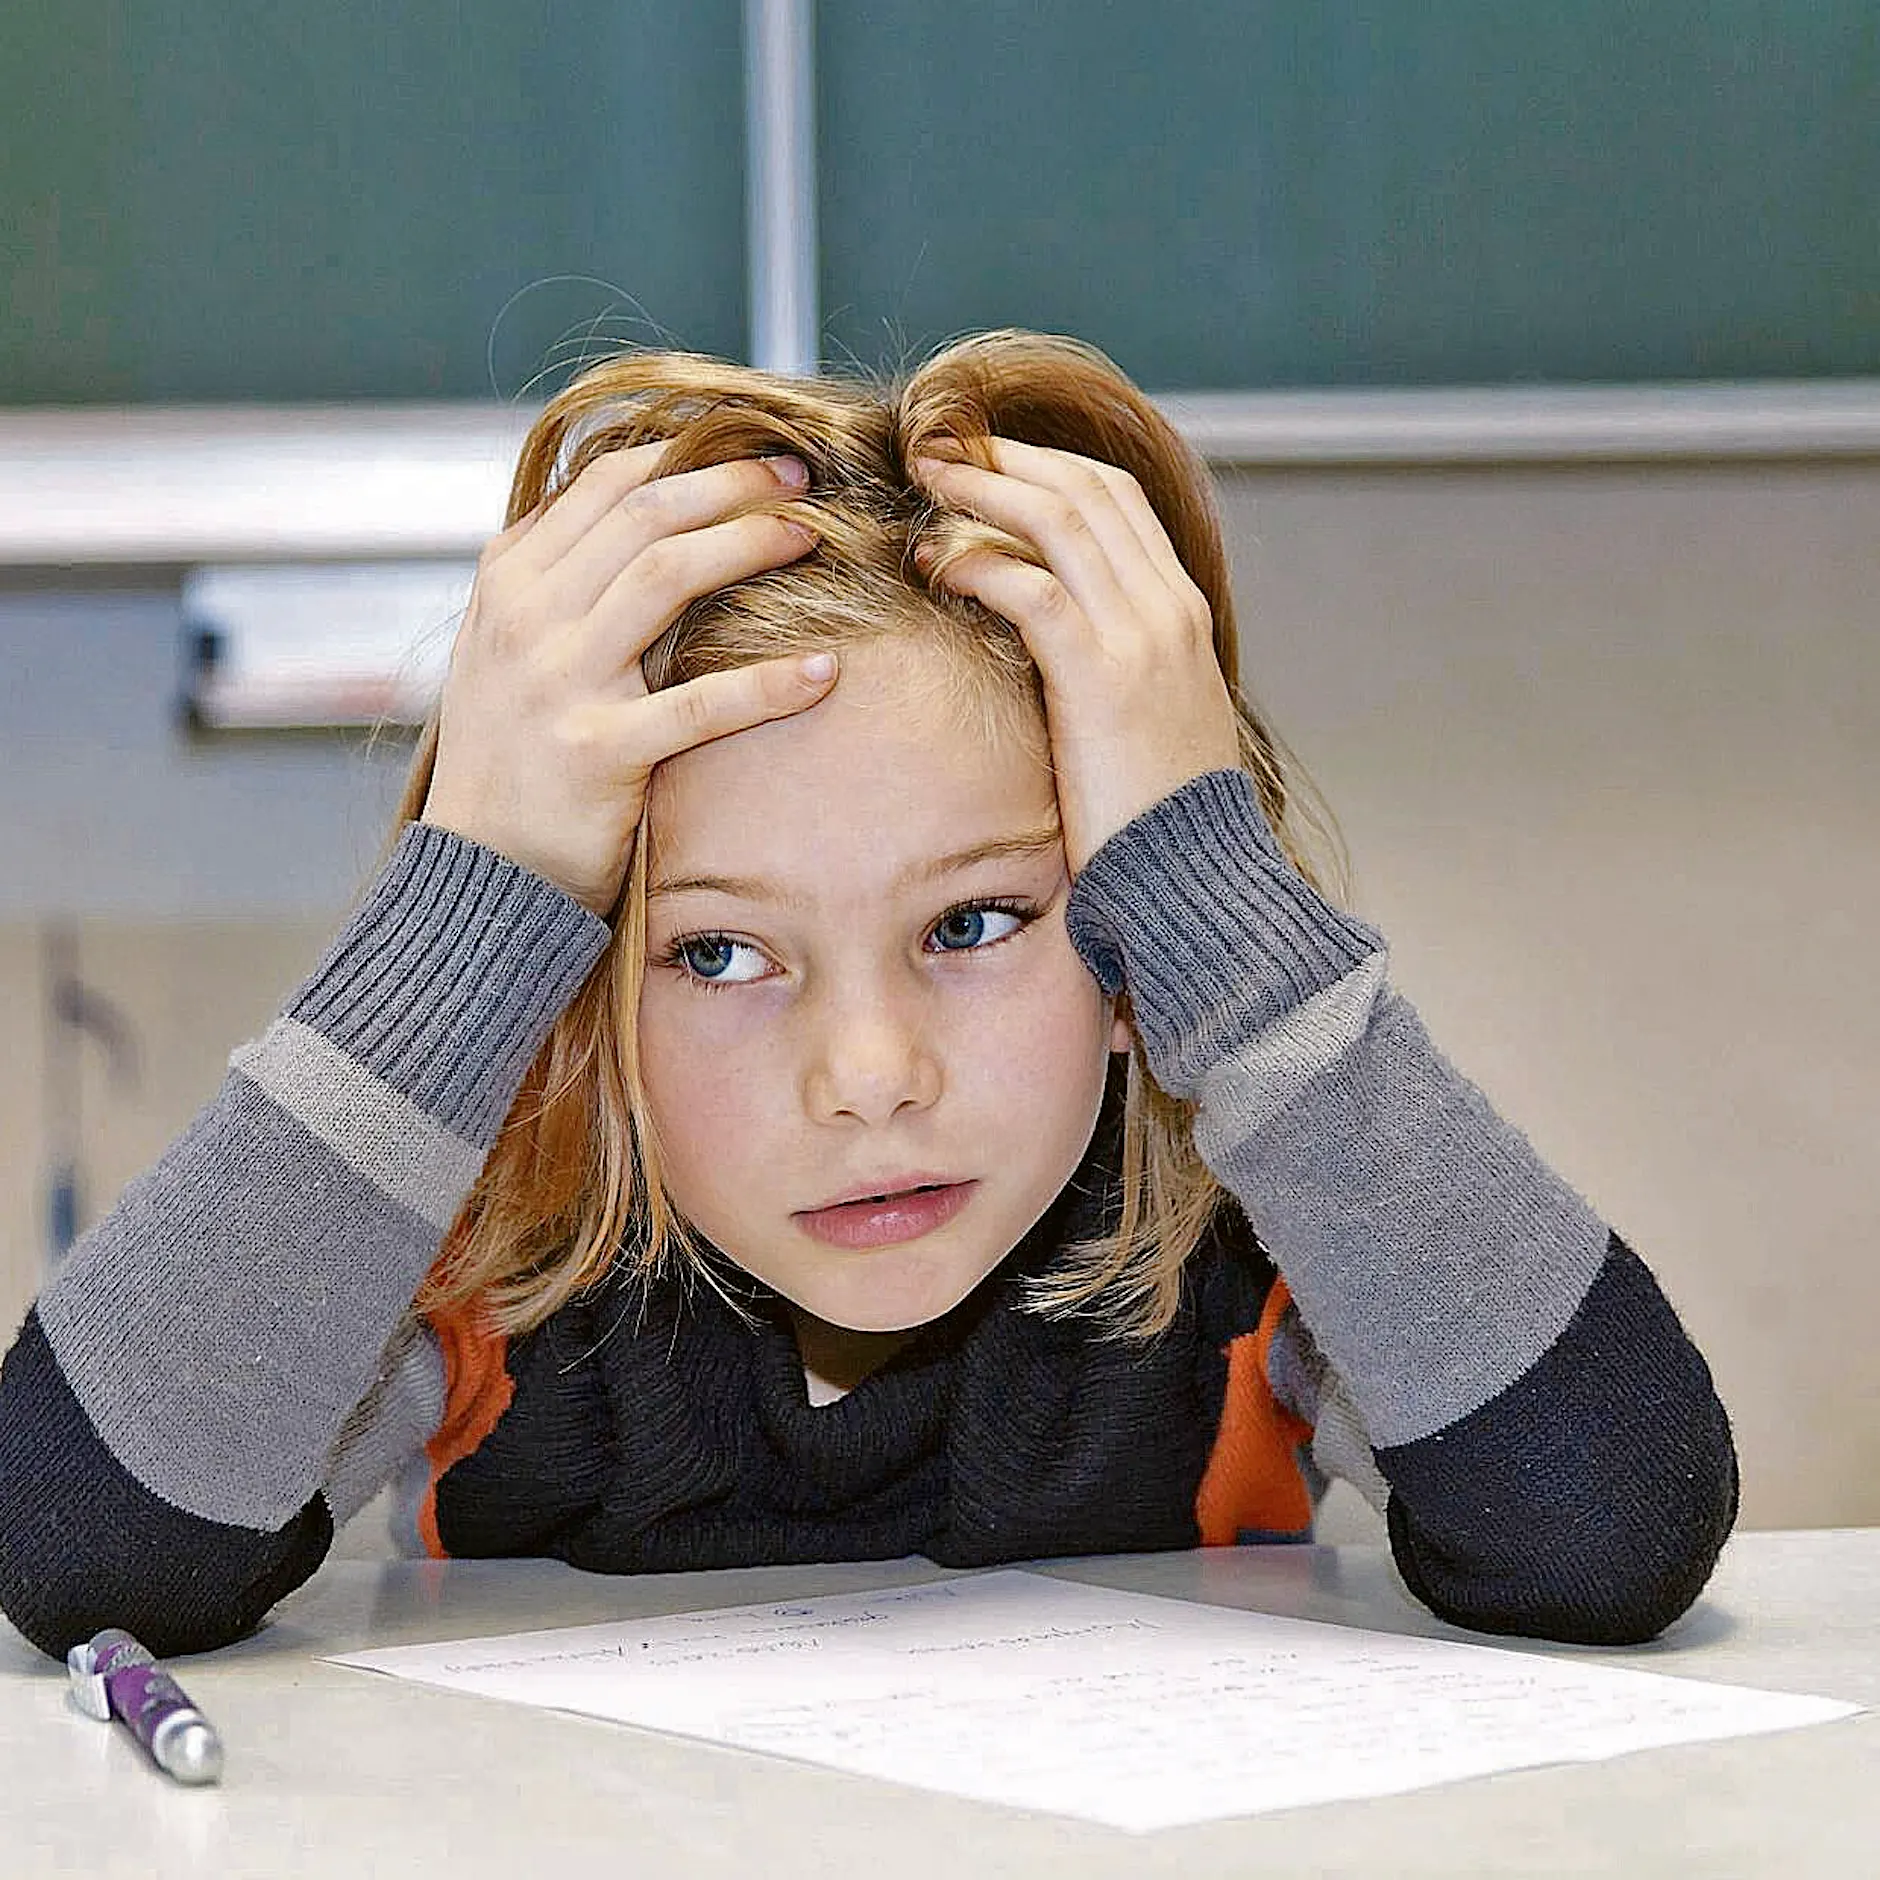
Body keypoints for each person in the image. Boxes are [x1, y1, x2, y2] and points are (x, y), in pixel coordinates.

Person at [0, 332, 1736, 1662]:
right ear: (576, 996)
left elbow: (1606, 1532)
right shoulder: (478, 1279)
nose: (869, 1075)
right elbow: (81, 1552)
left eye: (978, 923)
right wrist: (477, 894)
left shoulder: (1272, 1246)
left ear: (1147, 953)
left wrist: (1218, 894)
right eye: (719, 953)